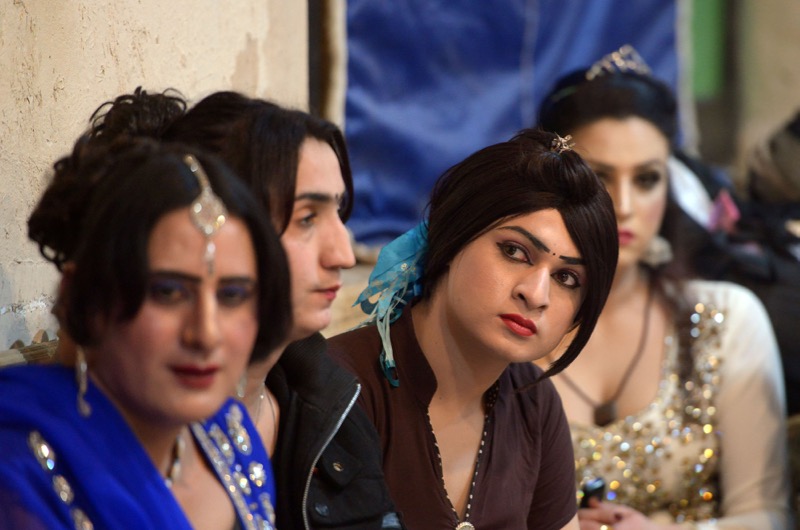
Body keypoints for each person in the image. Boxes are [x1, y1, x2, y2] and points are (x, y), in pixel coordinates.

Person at [88, 88, 402, 529]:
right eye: (306, 219)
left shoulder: (333, 402)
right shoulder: (123, 445)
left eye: (339, 214)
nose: (344, 255)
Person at [536, 45, 789, 529]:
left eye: (648, 178)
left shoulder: (725, 319)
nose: (625, 204)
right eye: (599, 177)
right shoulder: (509, 321)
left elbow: (768, 515)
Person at [326, 128, 619, 529]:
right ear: (453, 235)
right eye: (515, 252)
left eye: (567, 278)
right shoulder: (341, 388)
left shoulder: (534, 404)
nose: (536, 294)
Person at [0, 137, 292, 529]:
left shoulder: (232, 439)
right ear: (84, 299)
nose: (205, 334)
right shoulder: (19, 476)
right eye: (169, 292)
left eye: (232, 295)